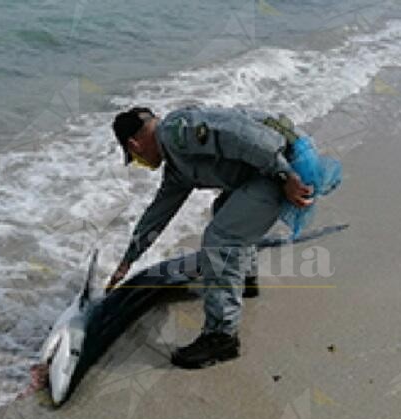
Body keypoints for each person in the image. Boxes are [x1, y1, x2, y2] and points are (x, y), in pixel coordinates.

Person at [108, 105, 313, 369]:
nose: (143, 163)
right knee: (224, 213)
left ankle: (221, 337)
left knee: (221, 239)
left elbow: (242, 135)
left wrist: (286, 175)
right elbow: (157, 214)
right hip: (270, 170)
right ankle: (246, 281)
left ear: (134, 144)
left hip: (283, 170)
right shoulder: (177, 164)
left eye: (137, 159)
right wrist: (128, 261)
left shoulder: (175, 132)